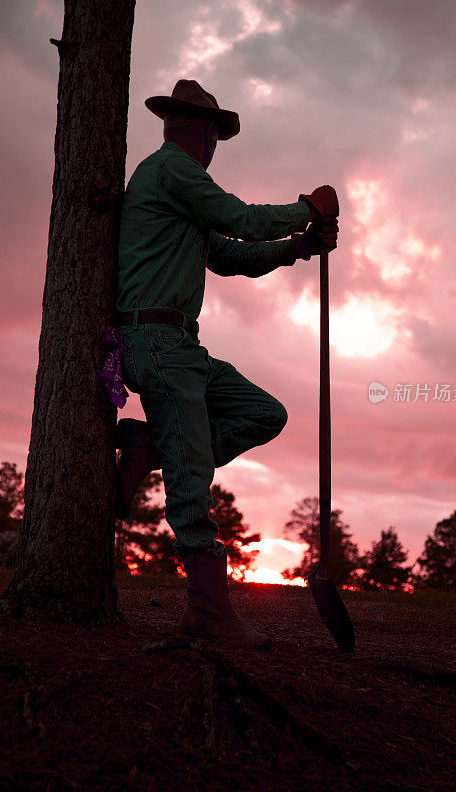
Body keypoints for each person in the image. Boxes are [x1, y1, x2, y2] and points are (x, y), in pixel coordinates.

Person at [114, 79, 339, 651]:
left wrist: (296, 247)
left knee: (264, 413)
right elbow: (240, 218)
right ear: (206, 131)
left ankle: (151, 450)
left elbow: (231, 254)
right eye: (216, 135)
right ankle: (209, 612)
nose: (215, 146)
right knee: (193, 482)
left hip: (180, 347)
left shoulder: (176, 191)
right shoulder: (172, 171)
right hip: (157, 343)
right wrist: (304, 211)